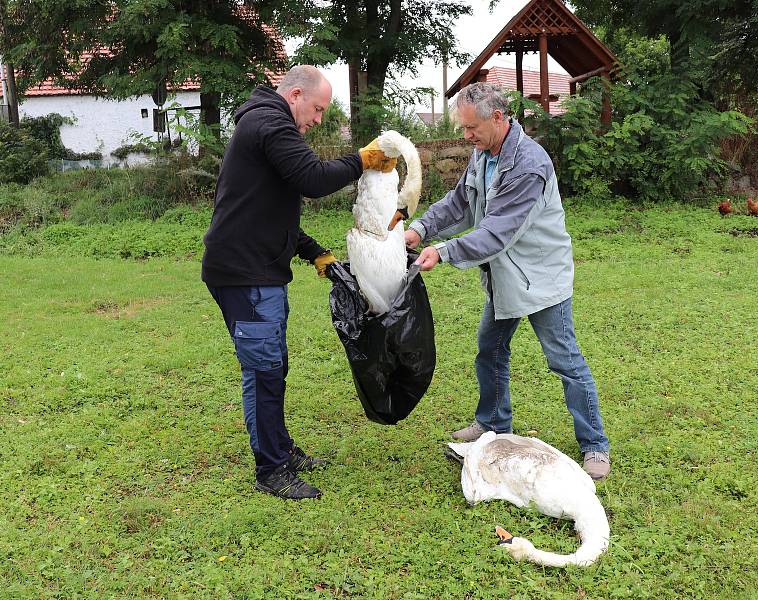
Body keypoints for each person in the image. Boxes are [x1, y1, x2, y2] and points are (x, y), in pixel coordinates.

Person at [202, 65, 397, 499]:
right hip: (245, 275)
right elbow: (312, 179)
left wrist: (314, 253)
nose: (319, 119)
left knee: (271, 367)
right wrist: (360, 160)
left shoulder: (264, 123)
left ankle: (280, 450)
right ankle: (272, 470)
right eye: (318, 109)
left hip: (255, 268)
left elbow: (267, 209)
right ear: (294, 95)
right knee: (266, 370)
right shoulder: (270, 123)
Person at [405, 83, 611, 480]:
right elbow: (461, 203)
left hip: (540, 278)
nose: (466, 137)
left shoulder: (528, 164)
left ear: (497, 118)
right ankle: (493, 424)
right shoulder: (483, 154)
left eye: (471, 128)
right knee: (490, 349)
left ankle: (595, 445)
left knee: (564, 360)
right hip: (505, 277)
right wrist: (421, 229)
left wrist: (444, 252)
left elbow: (498, 232)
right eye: (463, 128)